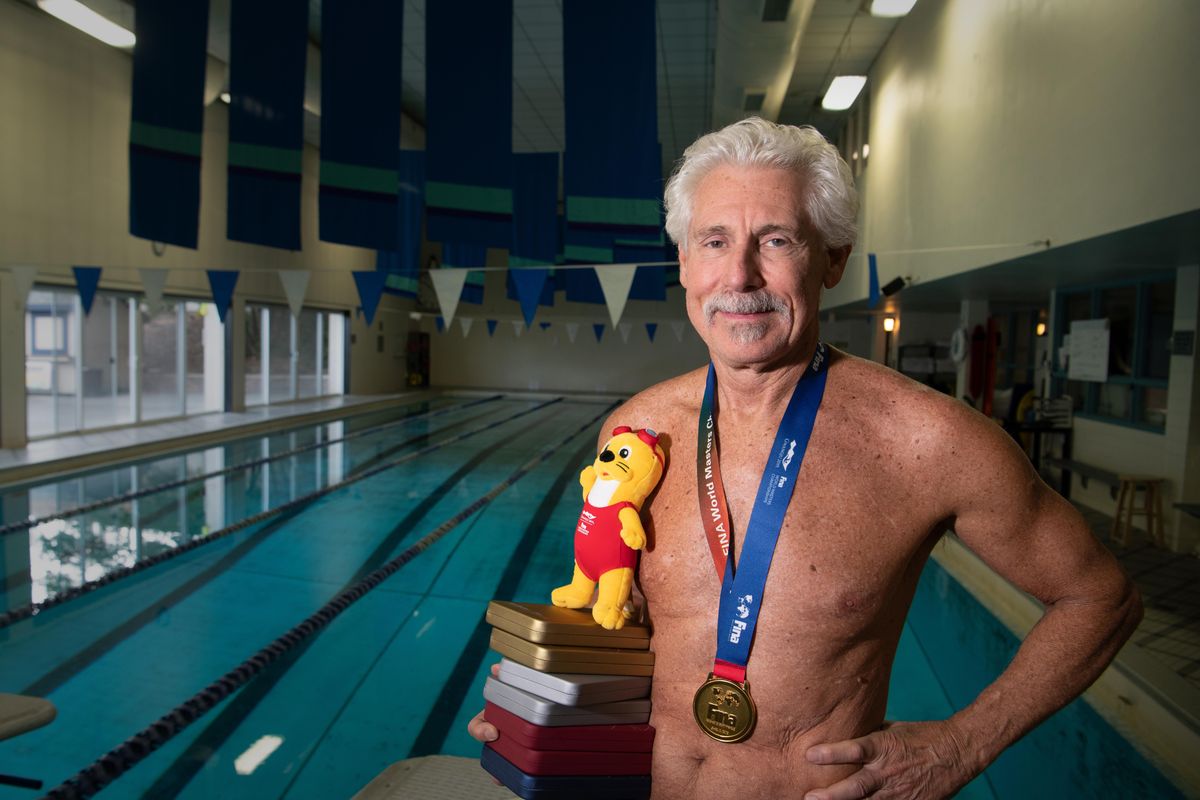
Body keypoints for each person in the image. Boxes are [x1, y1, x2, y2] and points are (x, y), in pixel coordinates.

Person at [469, 117, 1141, 799]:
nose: (740, 275)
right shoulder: (636, 429)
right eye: (714, 240)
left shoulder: (928, 441)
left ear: (834, 258)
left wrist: (961, 745)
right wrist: (540, 704)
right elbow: (620, 619)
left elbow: (1099, 596)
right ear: (682, 262)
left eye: (777, 240)